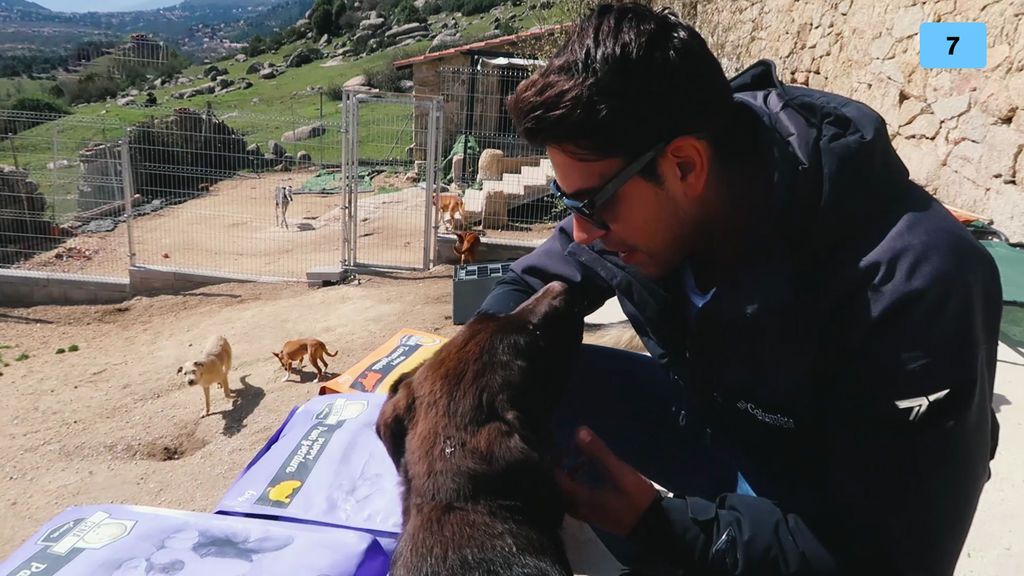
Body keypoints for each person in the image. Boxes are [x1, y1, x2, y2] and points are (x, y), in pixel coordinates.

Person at [476, 3, 1002, 575]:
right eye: (568, 204)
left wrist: (662, 526)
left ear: (684, 166)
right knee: (514, 373)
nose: (580, 232)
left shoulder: (916, 285)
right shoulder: (653, 192)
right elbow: (530, 284)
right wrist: (464, 371)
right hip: (724, 422)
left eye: (592, 205)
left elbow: (885, 557)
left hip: (828, 493)